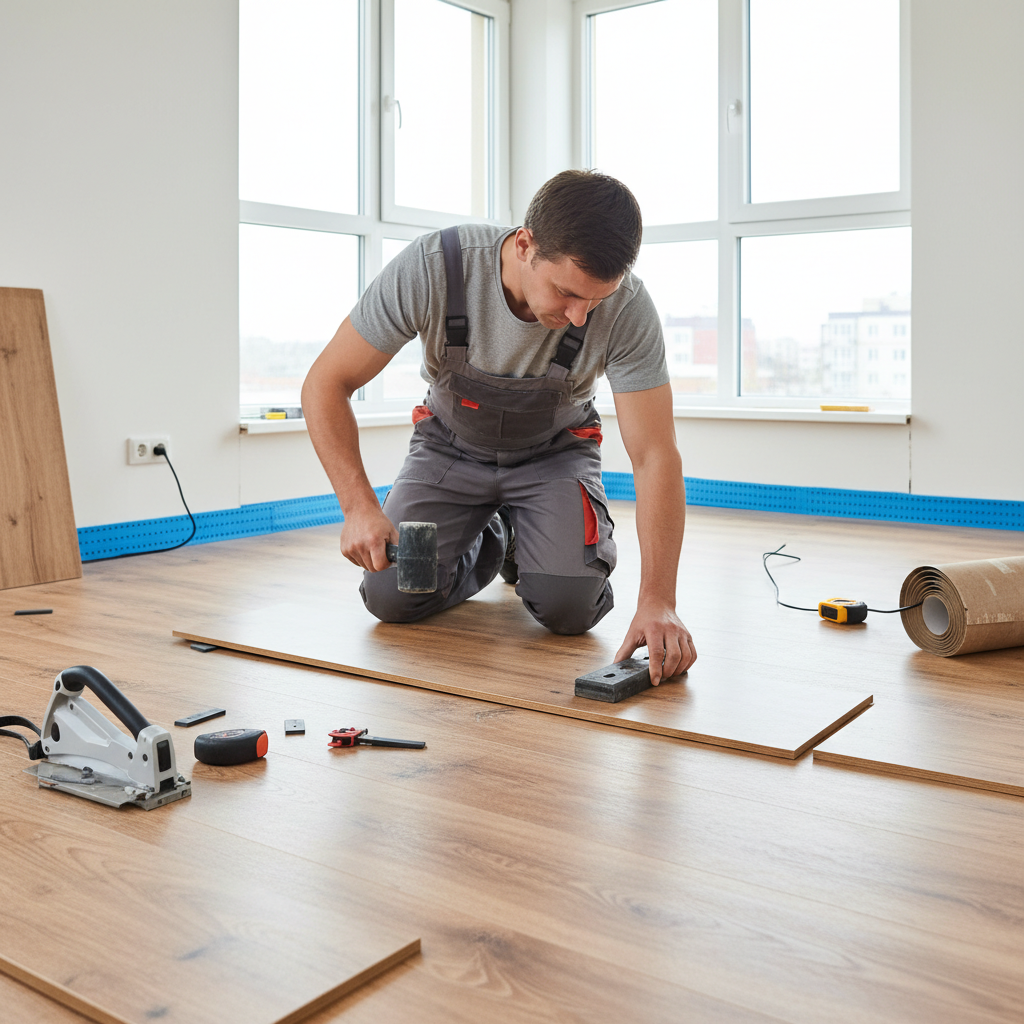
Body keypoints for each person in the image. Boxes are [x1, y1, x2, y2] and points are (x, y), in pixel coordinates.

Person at [302, 170, 696, 684]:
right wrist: (358, 507)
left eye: (595, 300)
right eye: (566, 293)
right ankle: (496, 535)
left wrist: (659, 600)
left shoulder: (628, 309)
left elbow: (655, 454)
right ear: (525, 245)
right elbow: (325, 384)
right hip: (449, 449)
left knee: (569, 608)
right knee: (392, 594)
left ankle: (527, 538)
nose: (581, 317)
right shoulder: (435, 267)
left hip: (554, 454)